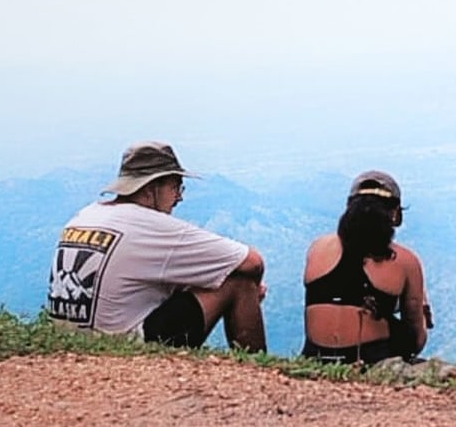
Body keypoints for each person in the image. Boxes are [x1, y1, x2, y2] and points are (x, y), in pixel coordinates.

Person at [46, 141, 267, 351]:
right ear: (151, 188)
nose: (179, 197)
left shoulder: (85, 215)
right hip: (119, 348)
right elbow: (252, 262)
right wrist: (251, 293)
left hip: (69, 341)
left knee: (209, 275)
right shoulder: (150, 226)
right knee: (239, 280)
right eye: (175, 186)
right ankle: (258, 372)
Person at [302, 170, 432, 365]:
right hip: (372, 358)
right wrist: (422, 310)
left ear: (349, 208)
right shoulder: (406, 261)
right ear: (395, 214)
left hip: (314, 356)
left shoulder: (318, 248)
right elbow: (415, 340)